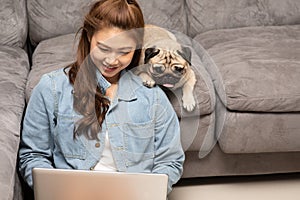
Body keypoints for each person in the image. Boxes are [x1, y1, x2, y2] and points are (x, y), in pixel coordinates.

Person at [18, 0, 184, 195]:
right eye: (103, 48)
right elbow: (32, 155)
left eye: (124, 52)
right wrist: (58, 193)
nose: (112, 60)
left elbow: (170, 161)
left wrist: (147, 194)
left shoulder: (153, 97)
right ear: (89, 36)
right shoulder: (51, 88)